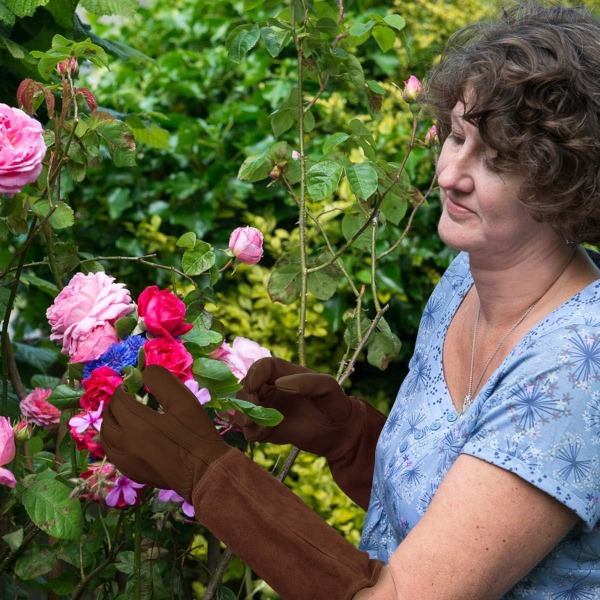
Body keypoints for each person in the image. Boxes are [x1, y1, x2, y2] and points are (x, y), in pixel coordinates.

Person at [101, 2, 600, 598]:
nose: (449, 174)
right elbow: (454, 526)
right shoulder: (466, 277)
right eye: (458, 137)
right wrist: (348, 437)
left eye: (494, 161)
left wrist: (208, 477)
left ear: (564, 181)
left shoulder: (577, 369)